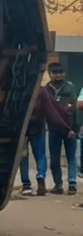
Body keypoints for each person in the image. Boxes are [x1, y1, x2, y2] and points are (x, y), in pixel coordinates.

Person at [40, 63, 79, 196]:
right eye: (55, 72)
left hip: (70, 129)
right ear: (50, 74)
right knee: (55, 159)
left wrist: (75, 129)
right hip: (53, 129)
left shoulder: (70, 87)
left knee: (71, 158)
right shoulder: (46, 89)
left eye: (61, 72)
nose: (59, 75)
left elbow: (74, 110)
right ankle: (58, 185)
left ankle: (72, 184)